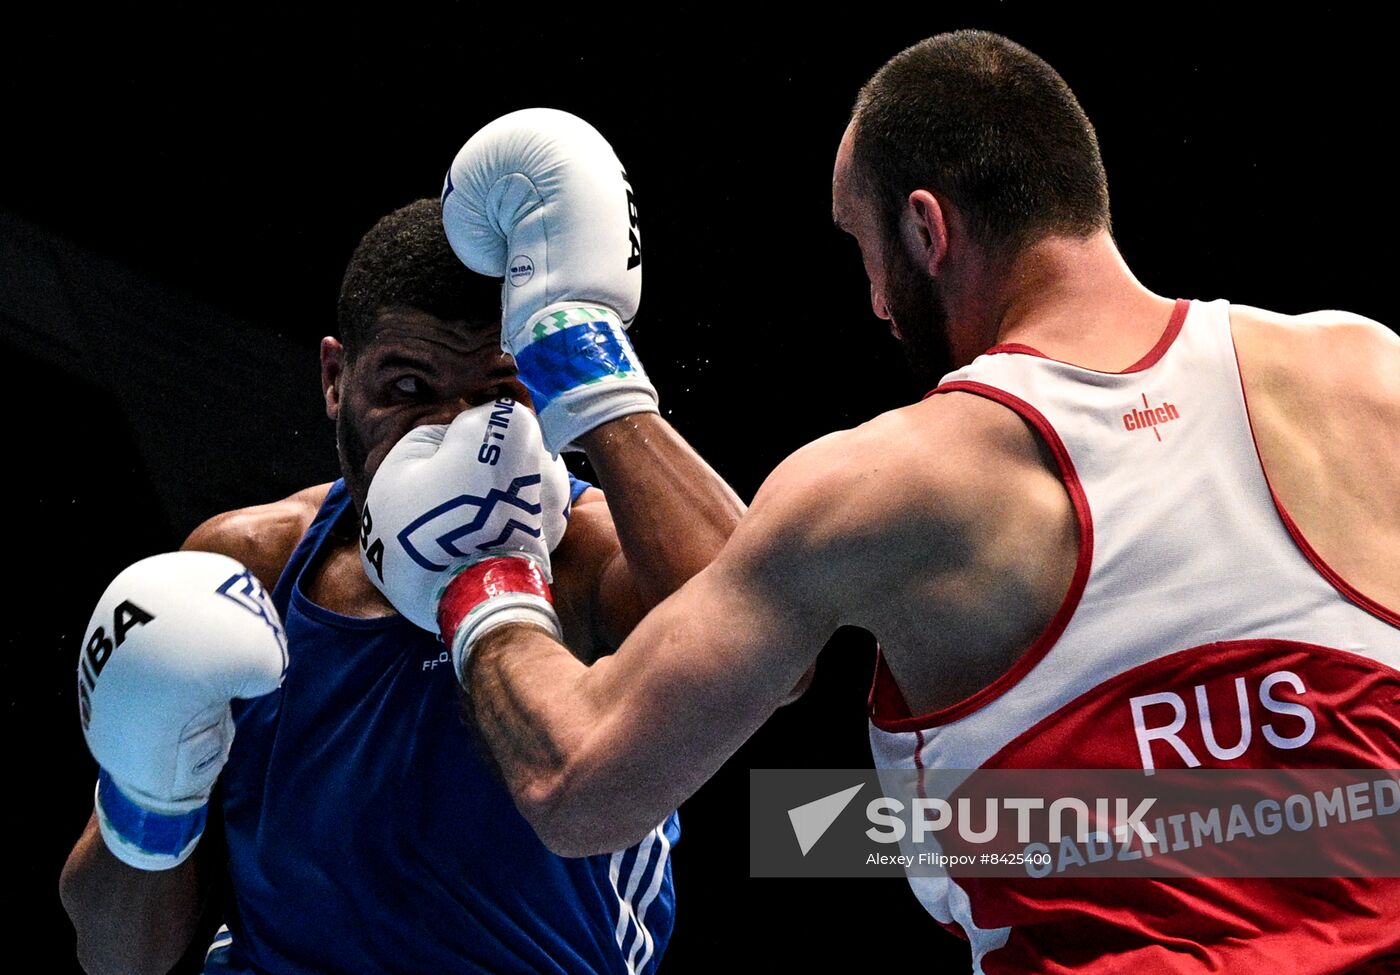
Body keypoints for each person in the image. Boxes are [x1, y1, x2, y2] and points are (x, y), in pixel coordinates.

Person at [367, 32, 1400, 972]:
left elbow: (579, 788)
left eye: (859, 247)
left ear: (923, 227)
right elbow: (1248, 809)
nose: (869, 300)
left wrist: (479, 574)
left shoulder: (887, 481)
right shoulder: (1365, 374)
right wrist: (816, 833)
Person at [59, 196, 749, 975]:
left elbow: (766, 638)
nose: (453, 430)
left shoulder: (591, 555)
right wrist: (144, 796)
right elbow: (120, 960)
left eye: (498, 388)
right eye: (410, 387)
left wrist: (590, 366)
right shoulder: (251, 567)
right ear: (333, 378)